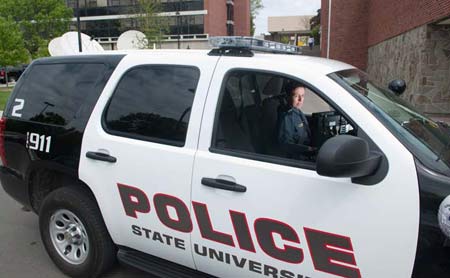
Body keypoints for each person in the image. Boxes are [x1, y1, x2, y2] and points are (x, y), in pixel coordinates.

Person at [277, 83, 315, 159]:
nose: (300, 100)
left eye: (303, 96)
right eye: (296, 96)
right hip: (298, 158)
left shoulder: (297, 111)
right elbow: (286, 145)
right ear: (288, 97)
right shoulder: (287, 117)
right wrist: (309, 149)